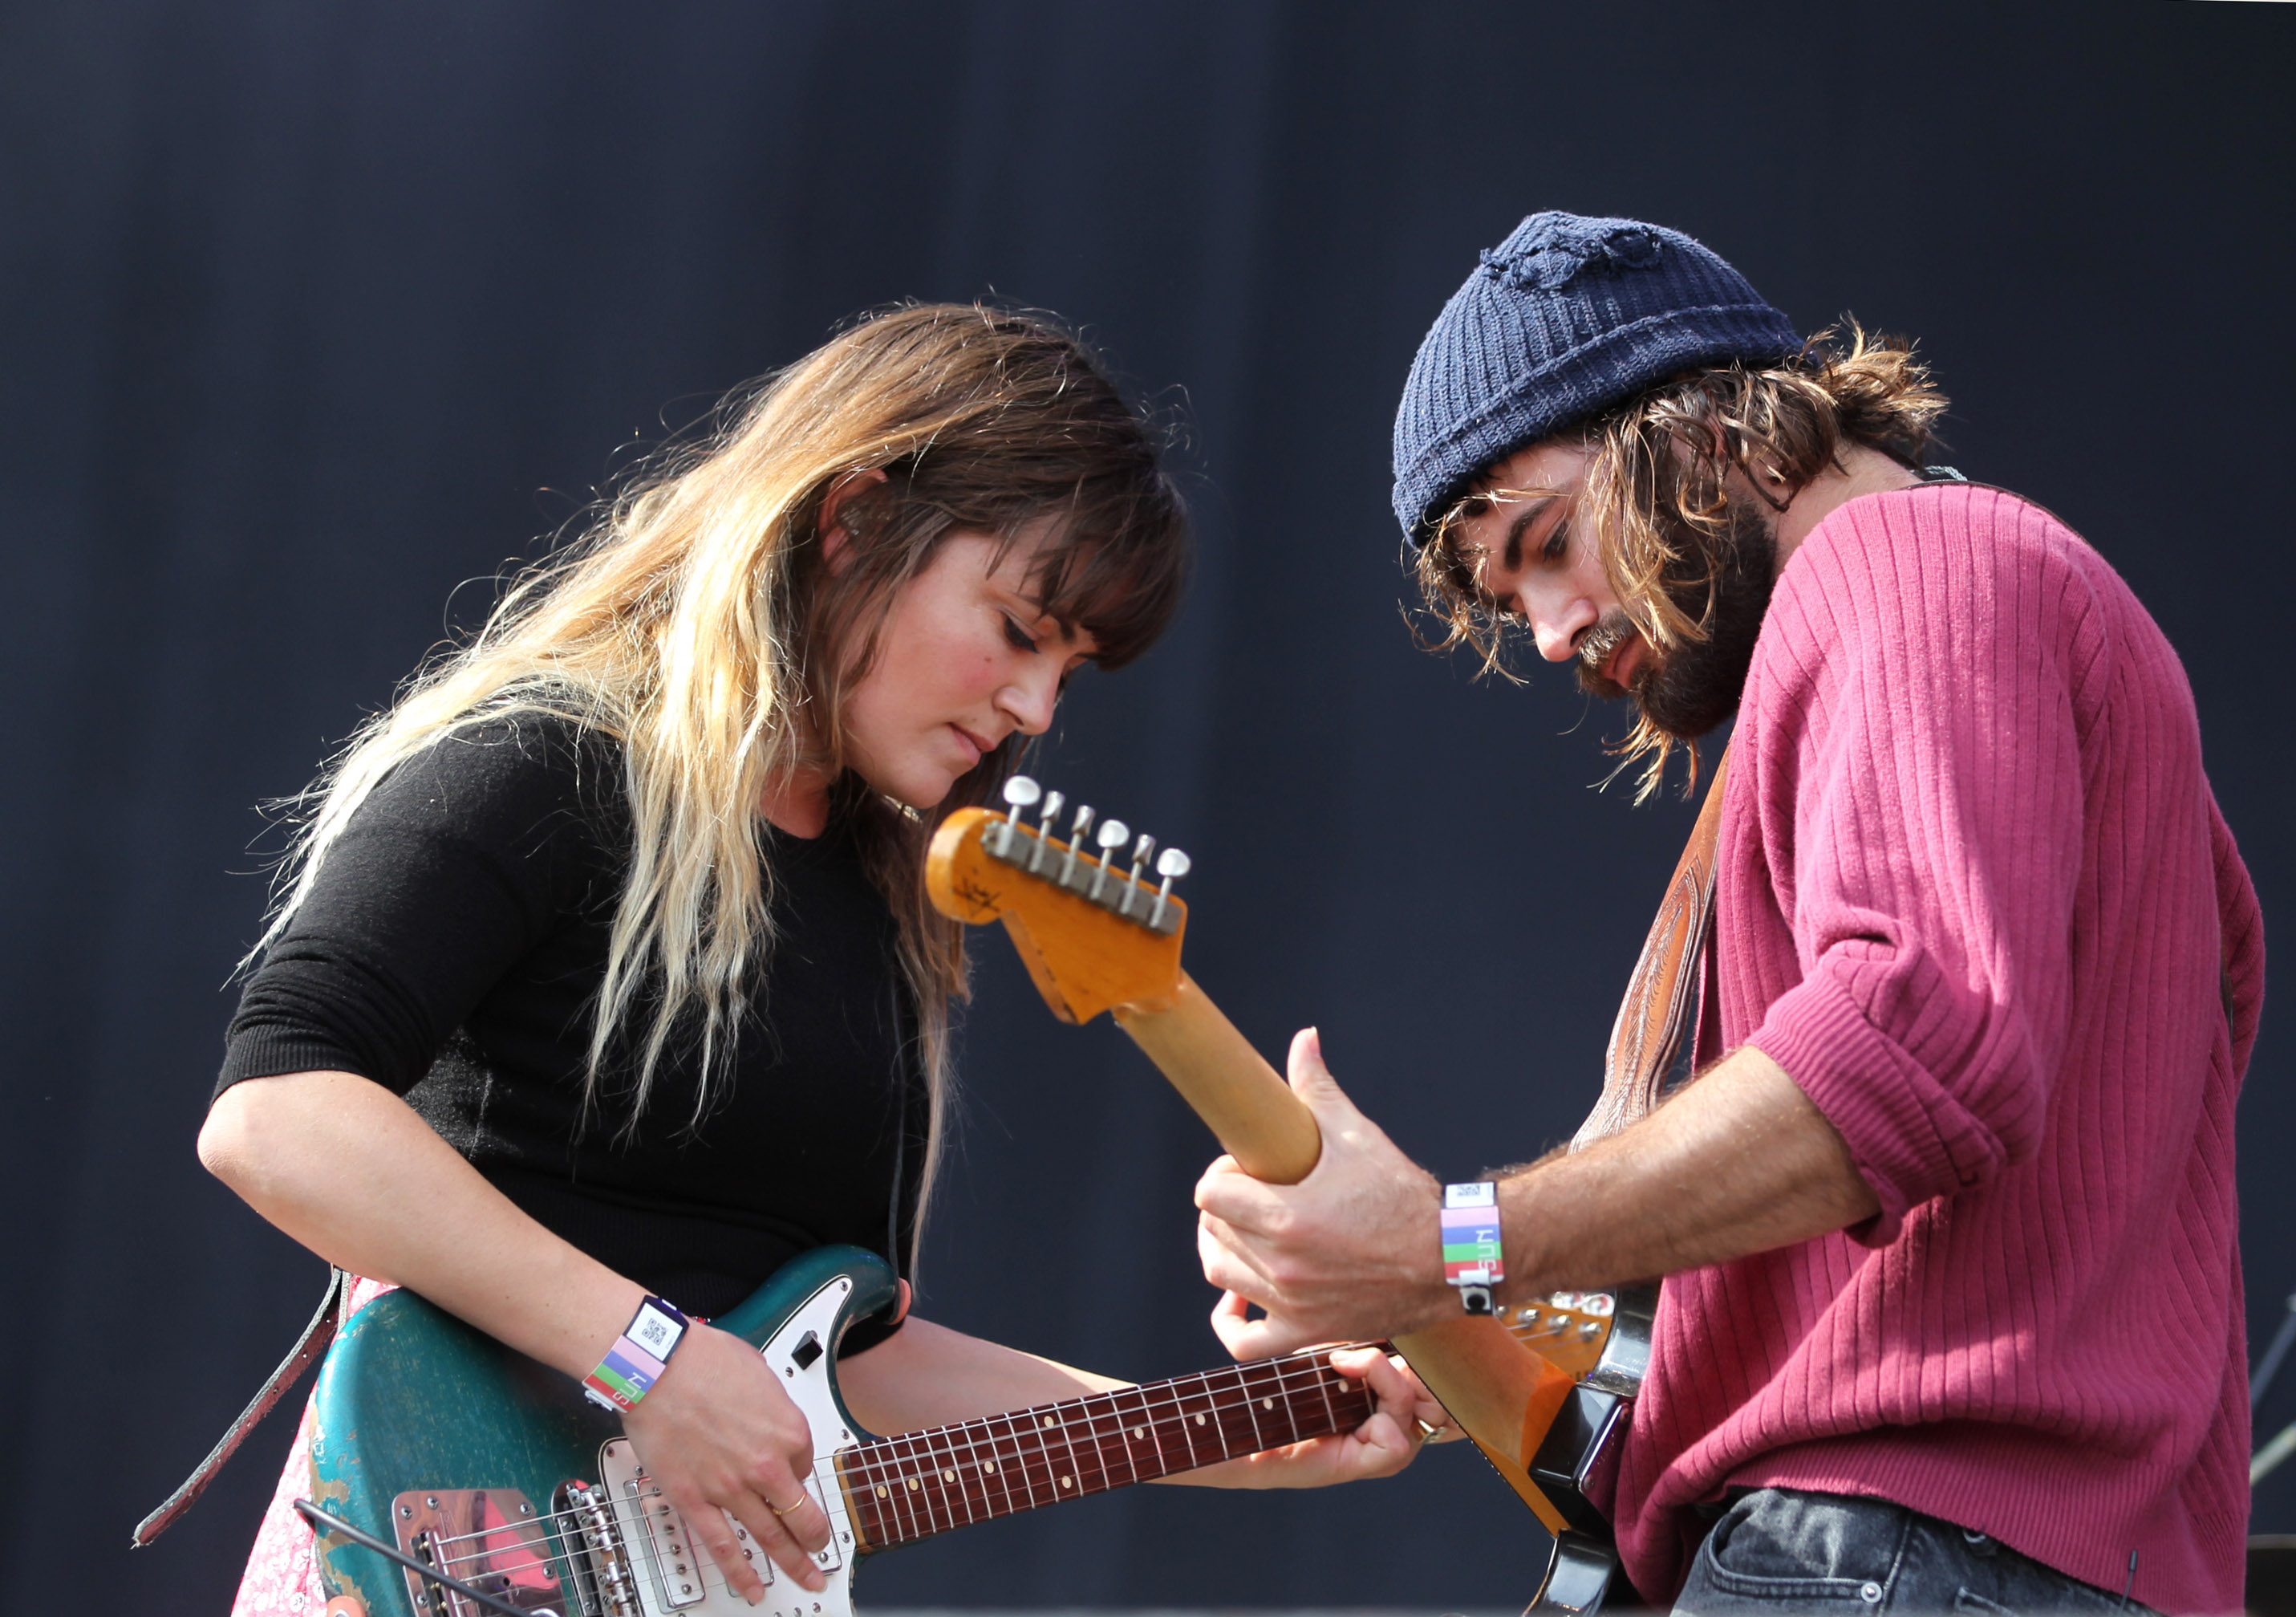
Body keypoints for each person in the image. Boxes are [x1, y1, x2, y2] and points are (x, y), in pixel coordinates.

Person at [197, 303, 1427, 1615]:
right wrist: (651, 1365)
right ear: (852, 524)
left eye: (1072, 670)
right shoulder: (552, 759)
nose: (1036, 709)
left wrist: (1229, 1432)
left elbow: (845, 1364)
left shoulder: (882, 896)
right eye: (1020, 629)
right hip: (444, 1553)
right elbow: (277, 1113)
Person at [1193, 216, 2259, 1615]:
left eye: (1549, 543)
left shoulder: (1906, 568)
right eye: (1508, 598)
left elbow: (1915, 1053)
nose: (1555, 633)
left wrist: (1448, 1239)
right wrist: (1455, 1305)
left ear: (1710, 428)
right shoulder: (1997, 620)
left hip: (1888, 1554)